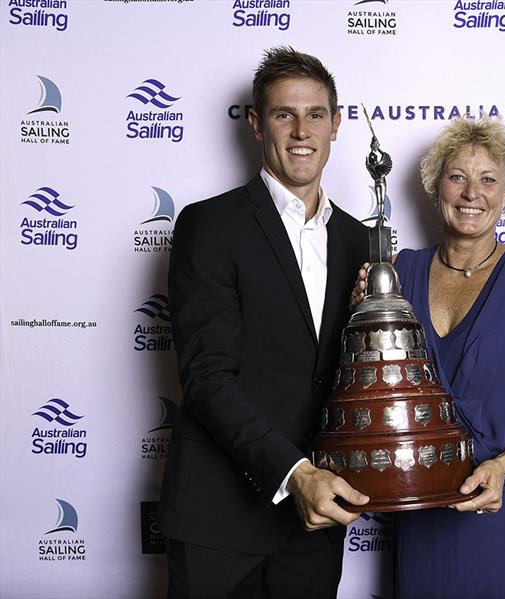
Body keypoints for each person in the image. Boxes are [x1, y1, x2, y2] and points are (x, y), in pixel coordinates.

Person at [159, 47, 370, 599]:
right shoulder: (210, 224)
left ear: (336, 124)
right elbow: (206, 377)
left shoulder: (360, 241)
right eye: (283, 114)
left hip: (317, 526)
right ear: (256, 123)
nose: (302, 131)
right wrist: (296, 474)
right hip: (219, 523)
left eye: (316, 114)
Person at [353, 117, 505, 598]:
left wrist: (504, 466)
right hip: (423, 506)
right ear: (436, 189)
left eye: (488, 179)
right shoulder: (400, 271)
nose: (471, 192)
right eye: (457, 177)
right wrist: (365, 310)